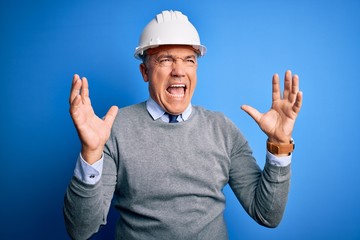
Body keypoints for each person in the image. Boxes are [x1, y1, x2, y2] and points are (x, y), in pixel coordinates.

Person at [64, 10, 303, 240]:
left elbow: (267, 214)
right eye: (165, 59)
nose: (178, 71)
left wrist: (279, 145)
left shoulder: (222, 129)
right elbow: (81, 230)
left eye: (188, 60)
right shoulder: (115, 129)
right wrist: (91, 154)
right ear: (144, 71)